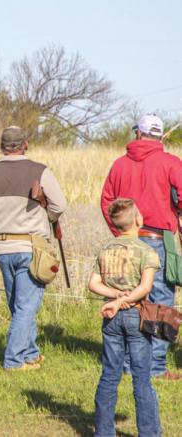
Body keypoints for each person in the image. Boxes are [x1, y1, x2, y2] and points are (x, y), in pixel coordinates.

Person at [0, 126, 67, 370]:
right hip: (32, 246)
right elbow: (60, 205)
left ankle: (30, 353)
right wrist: (48, 217)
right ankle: (13, 360)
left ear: (2, 146)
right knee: (25, 306)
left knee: (18, 305)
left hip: (2, 247)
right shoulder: (40, 170)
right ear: (25, 144)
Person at [101, 114, 182, 380]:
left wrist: (119, 232)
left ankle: (126, 363)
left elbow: (106, 201)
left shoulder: (119, 165)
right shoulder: (171, 163)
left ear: (138, 134)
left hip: (124, 240)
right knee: (160, 300)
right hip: (159, 239)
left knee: (127, 297)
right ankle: (155, 365)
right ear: (159, 137)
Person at [89, 198, 161, 437]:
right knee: (141, 378)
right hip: (136, 315)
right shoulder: (146, 251)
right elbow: (145, 287)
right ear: (137, 220)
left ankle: (103, 432)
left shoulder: (106, 250)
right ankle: (149, 433)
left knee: (109, 374)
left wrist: (114, 296)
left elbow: (93, 283)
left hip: (111, 317)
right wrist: (123, 300)